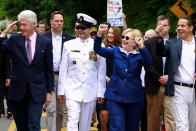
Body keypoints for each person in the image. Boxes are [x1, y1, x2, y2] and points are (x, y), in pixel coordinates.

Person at [0, 10, 54, 131]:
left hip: (37, 91)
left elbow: (48, 69)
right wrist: (5, 32)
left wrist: (49, 92)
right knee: (21, 126)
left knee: (34, 124)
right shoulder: (14, 39)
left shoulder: (45, 42)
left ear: (33, 24)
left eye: (24, 25)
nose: (21, 27)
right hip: (17, 91)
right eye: (20, 25)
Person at [94, 24, 152, 131]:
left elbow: (149, 63)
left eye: (127, 38)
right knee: (117, 127)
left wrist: (141, 46)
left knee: (132, 128)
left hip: (134, 98)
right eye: (123, 37)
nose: (124, 40)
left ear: (135, 41)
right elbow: (98, 49)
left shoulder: (140, 54)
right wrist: (99, 34)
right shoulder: (116, 51)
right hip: (115, 96)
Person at [58, 13, 106, 131]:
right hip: (72, 90)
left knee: (85, 124)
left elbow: (101, 70)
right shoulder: (68, 45)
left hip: (90, 90)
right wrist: (61, 90)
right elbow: (63, 69)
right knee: (72, 120)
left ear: (91, 29)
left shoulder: (99, 45)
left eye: (82, 28)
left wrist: (101, 92)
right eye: (77, 27)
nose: (79, 30)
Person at [156, 16, 196, 131]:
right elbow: (161, 52)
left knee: (193, 126)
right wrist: (158, 37)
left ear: (191, 28)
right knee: (182, 126)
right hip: (178, 89)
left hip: (194, 90)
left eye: (182, 25)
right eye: (178, 25)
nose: (179, 28)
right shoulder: (173, 43)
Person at [43, 10, 75, 131]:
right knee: (51, 110)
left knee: (61, 111)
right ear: (51, 22)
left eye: (61, 21)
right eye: (57, 21)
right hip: (48, 77)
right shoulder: (43, 37)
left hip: (64, 78)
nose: (59, 23)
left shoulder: (70, 38)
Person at [144, 15, 176, 131]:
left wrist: (169, 76)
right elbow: (147, 64)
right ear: (156, 26)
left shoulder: (176, 42)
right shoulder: (148, 43)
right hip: (154, 84)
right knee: (153, 119)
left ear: (169, 27)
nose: (162, 27)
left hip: (170, 84)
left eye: (165, 25)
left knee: (171, 118)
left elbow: (179, 64)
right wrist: (159, 77)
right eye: (160, 25)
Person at [96, 26, 121, 131]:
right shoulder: (102, 46)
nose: (110, 35)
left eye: (113, 33)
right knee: (103, 109)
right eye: (108, 33)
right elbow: (96, 65)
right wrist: (105, 78)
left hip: (118, 82)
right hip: (104, 80)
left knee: (116, 110)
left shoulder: (122, 47)